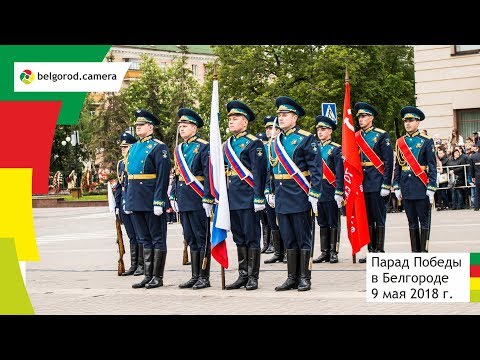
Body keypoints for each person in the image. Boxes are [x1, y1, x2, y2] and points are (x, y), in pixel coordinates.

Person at [269, 96, 323, 292]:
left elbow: (316, 169)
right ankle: (291, 277)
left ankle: (304, 277)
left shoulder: (306, 138)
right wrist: (270, 190)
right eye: (279, 115)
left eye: (285, 115)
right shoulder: (275, 141)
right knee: (288, 238)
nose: (281, 118)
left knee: (303, 238)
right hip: (282, 196)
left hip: (299, 194)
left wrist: (315, 192)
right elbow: (272, 168)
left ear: (295, 117)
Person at [125, 109, 171, 289]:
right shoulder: (134, 147)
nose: (137, 127)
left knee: (157, 238)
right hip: (136, 198)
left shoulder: (158, 147)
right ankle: (147, 275)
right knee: (144, 238)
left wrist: (159, 200)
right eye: (136, 125)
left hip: (151, 198)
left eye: (141, 125)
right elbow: (130, 176)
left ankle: (157, 277)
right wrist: (128, 201)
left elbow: (162, 176)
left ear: (150, 127)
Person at [224, 100, 267, 291]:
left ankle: (253, 277)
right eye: (230, 119)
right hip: (232, 198)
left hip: (248, 196)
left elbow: (259, 172)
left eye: (236, 119)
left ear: (245, 122)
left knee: (251, 237)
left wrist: (259, 196)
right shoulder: (227, 144)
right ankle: (242, 274)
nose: (231, 122)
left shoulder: (253, 143)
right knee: (238, 238)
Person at [170, 108, 214, 290]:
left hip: (197, 198)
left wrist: (208, 197)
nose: (181, 128)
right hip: (183, 198)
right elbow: (177, 174)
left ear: (194, 128)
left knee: (201, 237)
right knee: (190, 237)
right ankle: (195, 275)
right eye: (180, 125)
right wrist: (173, 194)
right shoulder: (179, 149)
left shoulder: (204, 146)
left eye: (185, 125)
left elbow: (208, 173)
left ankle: (204, 276)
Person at [354, 102, 394, 263]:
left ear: (371, 118)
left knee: (379, 216)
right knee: (367, 218)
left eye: (363, 116)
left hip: (377, 181)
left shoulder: (381, 135)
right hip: (363, 182)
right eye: (359, 117)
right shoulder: (356, 136)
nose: (361, 119)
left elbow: (388, 161)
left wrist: (386, 184)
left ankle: (379, 249)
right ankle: (371, 250)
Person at [393, 106, 437, 252]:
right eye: (406, 120)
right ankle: (415, 251)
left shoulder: (426, 141)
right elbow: (398, 166)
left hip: (421, 185)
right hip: (406, 186)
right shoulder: (400, 142)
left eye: (411, 120)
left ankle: (423, 251)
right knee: (411, 221)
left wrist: (431, 186)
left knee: (423, 221)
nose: (407, 123)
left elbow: (432, 165)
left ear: (418, 122)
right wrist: (396, 185)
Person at [312, 115, 344, 264]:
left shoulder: (336, 149)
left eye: (323, 129)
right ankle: (324, 251)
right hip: (318, 191)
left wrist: (339, 190)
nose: (320, 132)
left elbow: (339, 171)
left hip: (331, 190)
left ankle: (333, 251)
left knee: (333, 222)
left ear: (330, 131)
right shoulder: (314, 148)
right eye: (318, 129)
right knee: (322, 222)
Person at [114, 132, 143, 276]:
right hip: (124, 203)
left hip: (134, 202)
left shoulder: (135, 161)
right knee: (131, 236)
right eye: (122, 147)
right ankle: (133, 265)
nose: (123, 150)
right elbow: (119, 186)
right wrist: (117, 206)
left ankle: (142, 265)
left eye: (126, 147)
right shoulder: (120, 163)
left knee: (140, 235)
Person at [263, 115, 286, 264]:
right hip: (269, 189)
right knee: (272, 222)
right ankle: (278, 252)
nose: (269, 131)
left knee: (283, 222)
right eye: (267, 128)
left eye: (272, 128)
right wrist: (266, 191)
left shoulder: (282, 145)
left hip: (282, 187)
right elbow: (263, 172)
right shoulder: (264, 147)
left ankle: (286, 253)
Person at [255, 130, 274, 255]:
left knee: (272, 220)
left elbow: (268, 172)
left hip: (271, 187)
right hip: (262, 189)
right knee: (264, 220)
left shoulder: (271, 149)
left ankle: (273, 245)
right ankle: (266, 244)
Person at [470, 144, 480, 211]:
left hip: (478, 176)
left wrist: (473, 176)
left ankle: (476, 207)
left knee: (477, 192)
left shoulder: (473, 156)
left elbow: (472, 168)